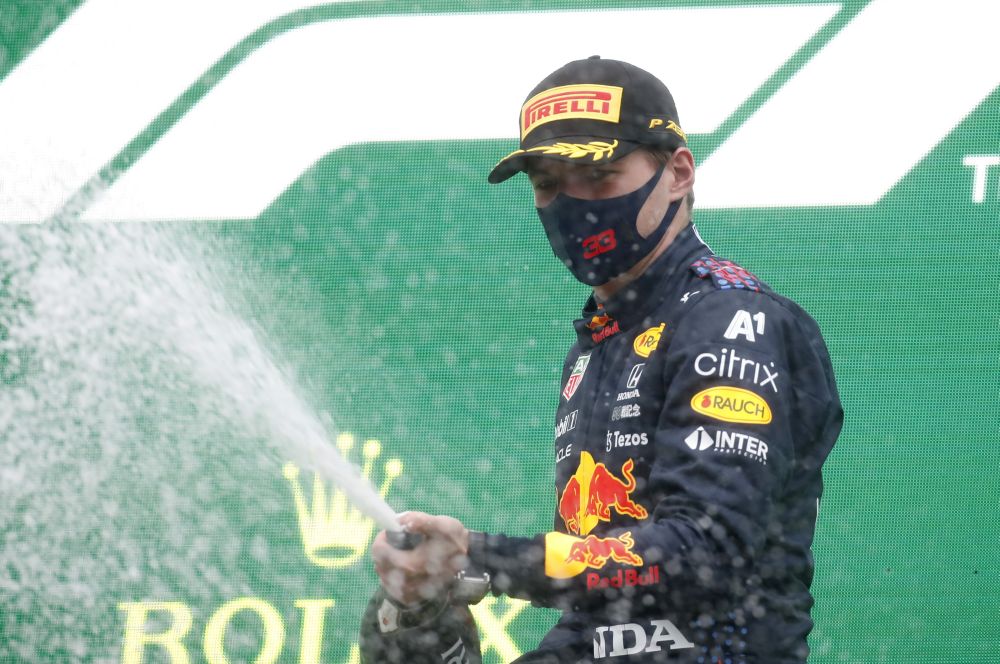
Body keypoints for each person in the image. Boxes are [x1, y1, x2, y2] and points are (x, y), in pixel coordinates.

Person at [360, 56, 843, 663]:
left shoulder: (729, 319)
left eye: (598, 176)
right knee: (398, 631)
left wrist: (481, 557)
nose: (573, 203)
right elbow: (604, 614)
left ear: (678, 173)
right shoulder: (598, 343)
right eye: (548, 184)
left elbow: (705, 554)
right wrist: (426, 595)